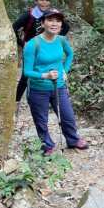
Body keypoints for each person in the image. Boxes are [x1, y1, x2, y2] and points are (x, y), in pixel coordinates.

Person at [23, 8, 87, 155]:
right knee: (41, 120)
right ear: (43, 23)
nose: (54, 23)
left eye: (58, 21)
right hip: (38, 89)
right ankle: (47, 145)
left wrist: (64, 70)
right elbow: (27, 71)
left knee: (67, 115)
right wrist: (45, 75)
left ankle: (73, 140)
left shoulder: (61, 40)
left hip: (59, 86)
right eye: (50, 20)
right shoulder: (33, 44)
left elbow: (70, 54)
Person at [13, 0, 70, 102]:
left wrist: (56, 40)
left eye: (47, 0)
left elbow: (66, 27)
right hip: (31, 49)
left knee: (50, 71)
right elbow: (13, 28)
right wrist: (22, 44)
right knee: (26, 76)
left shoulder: (52, 14)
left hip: (47, 49)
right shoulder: (28, 15)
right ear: (36, 1)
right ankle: (16, 101)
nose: (44, 2)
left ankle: (49, 98)